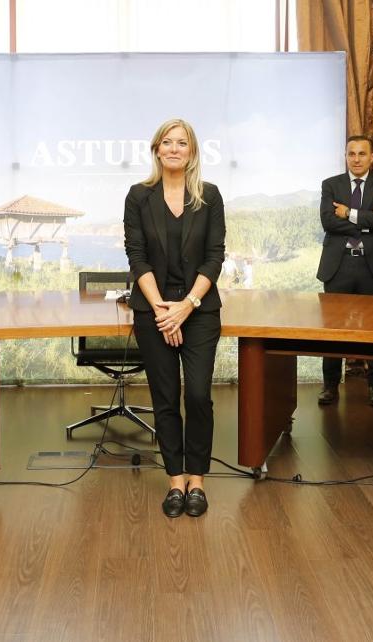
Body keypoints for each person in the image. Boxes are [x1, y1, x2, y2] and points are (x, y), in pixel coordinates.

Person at [123, 118, 226, 518]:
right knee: (165, 399)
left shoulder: (210, 196)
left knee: (198, 395)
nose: (173, 149)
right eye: (167, 142)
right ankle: (176, 482)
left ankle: (197, 479)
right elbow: (137, 256)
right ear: (156, 149)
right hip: (154, 313)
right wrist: (163, 308)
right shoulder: (138, 196)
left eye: (181, 143)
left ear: (192, 151)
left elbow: (214, 255)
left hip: (198, 312)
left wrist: (185, 306)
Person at [316, 135, 373, 407]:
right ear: (346, 156)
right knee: (333, 331)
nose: (357, 159)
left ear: (372, 157)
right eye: (352, 154)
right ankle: (329, 386)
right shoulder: (331, 185)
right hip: (339, 266)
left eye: (362, 154)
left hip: (371, 266)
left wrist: (349, 213)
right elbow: (328, 222)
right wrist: (367, 220)